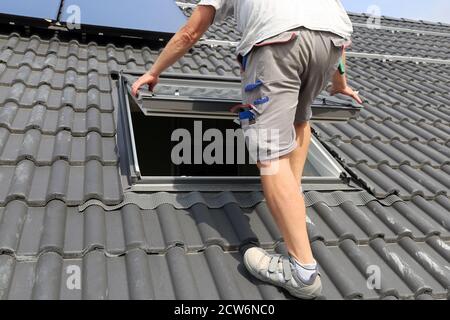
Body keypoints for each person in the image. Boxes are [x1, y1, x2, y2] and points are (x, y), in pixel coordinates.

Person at [132, 0, 362, 299]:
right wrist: (340, 83)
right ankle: (294, 199)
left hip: (278, 42)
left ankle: (302, 271)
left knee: (269, 151)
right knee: (300, 119)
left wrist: (154, 70)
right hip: (330, 41)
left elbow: (191, 31)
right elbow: (337, 44)